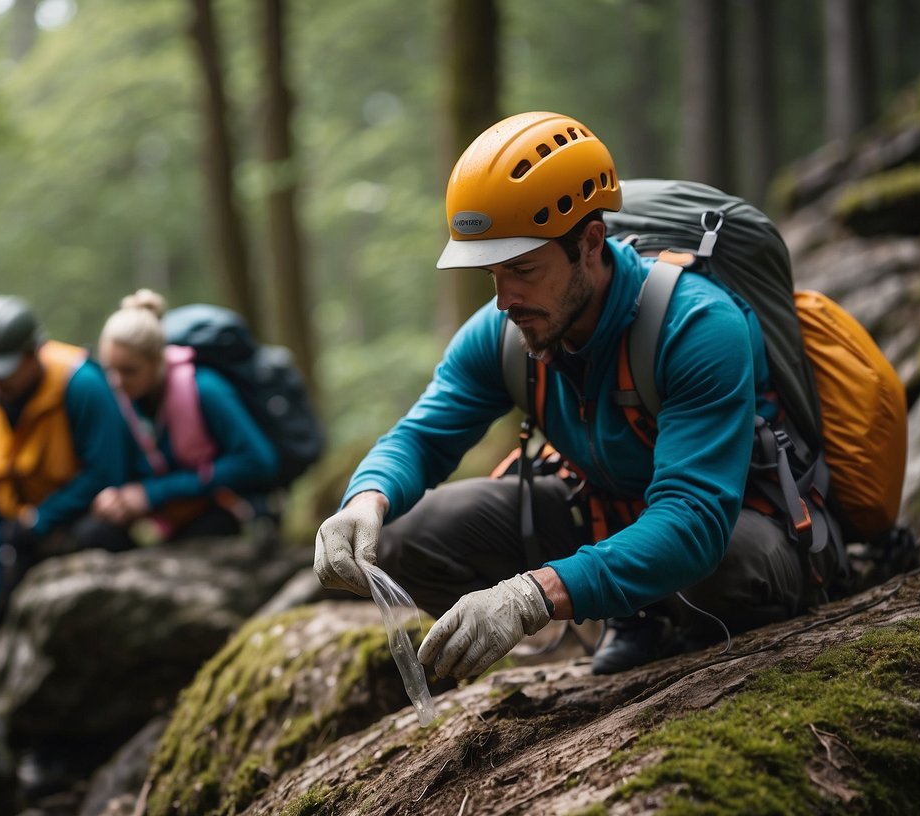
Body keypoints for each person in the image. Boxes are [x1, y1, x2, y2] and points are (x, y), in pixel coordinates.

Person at [313, 111, 843, 681]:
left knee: (720, 566)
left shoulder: (697, 327)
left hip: (736, 529)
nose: (504, 299)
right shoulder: (506, 331)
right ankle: (634, 613)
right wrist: (364, 501)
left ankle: (676, 625)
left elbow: (694, 519)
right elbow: (421, 437)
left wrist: (530, 597)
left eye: (522, 269)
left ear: (590, 243)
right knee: (407, 541)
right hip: (605, 516)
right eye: (491, 273)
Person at [0, 295, 135, 675]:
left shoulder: (81, 384)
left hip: (89, 525)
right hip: (25, 538)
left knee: (97, 535)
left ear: (33, 353)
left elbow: (108, 474)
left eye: (5, 371)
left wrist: (39, 519)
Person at [89, 289, 281, 543]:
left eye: (129, 371)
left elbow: (259, 462)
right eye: (110, 369)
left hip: (224, 513)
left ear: (158, 360)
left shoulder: (206, 389)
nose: (117, 381)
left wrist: (154, 493)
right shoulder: (127, 400)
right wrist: (119, 498)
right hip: (166, 518)